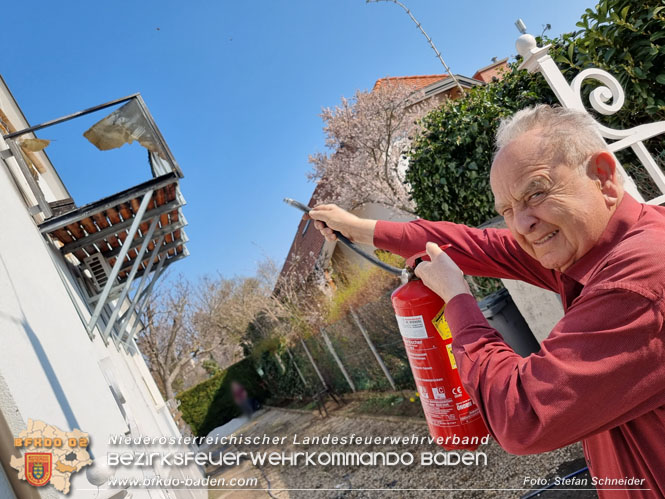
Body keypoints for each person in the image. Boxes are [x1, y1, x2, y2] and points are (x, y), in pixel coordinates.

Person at [308, 105, 665, 498]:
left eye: (537, 192)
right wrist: (360, 229)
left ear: (604, 177)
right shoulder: (593, 247)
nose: (523, 224)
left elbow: (523, 416)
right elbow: (476, 245)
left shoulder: (638, 283)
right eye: (507, 211)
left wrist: (458, 301)